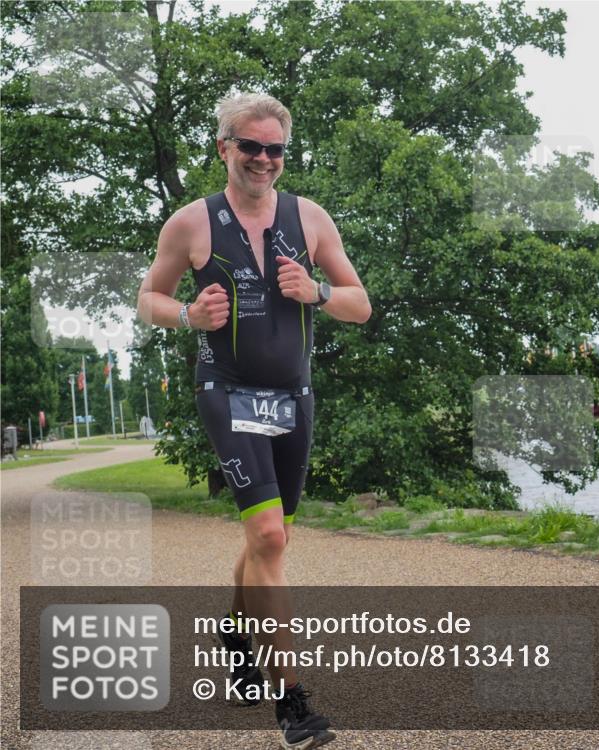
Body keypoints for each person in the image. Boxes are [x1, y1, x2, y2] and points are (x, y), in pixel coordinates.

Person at [138, 92, 371, 749]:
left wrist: (318, 292)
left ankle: (237, 633)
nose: (264, 159)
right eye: (251, 146)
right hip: (228, 389)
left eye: (275, 149)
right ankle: (293, 705)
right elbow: (148, 298)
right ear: (225, 148)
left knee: (273, 538)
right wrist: (187, 315)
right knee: (267, 535)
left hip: (293, 395)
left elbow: (360, 304)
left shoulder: (310, 218)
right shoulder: (191, 223)